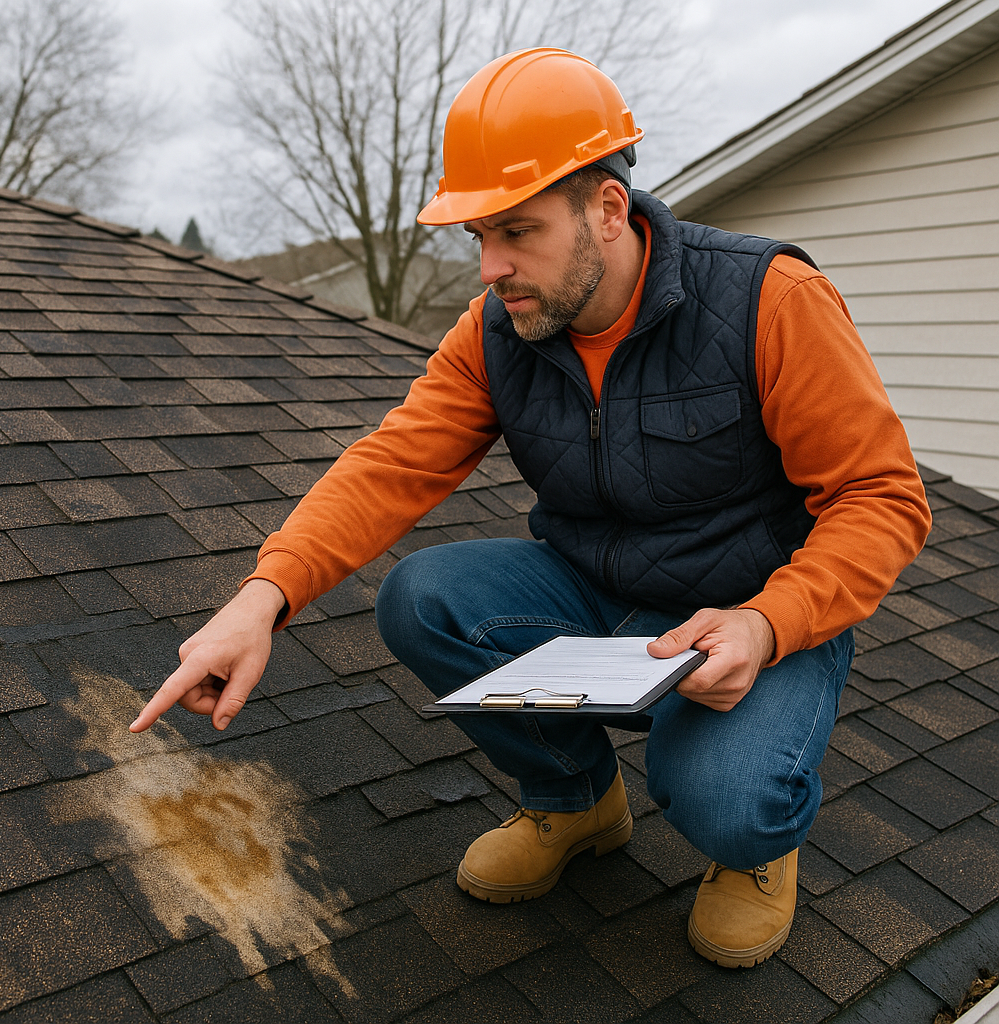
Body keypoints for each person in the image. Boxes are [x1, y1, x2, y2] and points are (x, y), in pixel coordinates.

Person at [130, 49, 931, 968]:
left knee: (725, 795)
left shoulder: (768, 301)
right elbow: (390, 464)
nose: (492, 266)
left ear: (606, 209)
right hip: (595, 593)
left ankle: (757, 854)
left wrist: (768, 621)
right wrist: (259, 599)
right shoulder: (499, 328)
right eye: (478, 235)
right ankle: (577, 802)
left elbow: (881, 498)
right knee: (424, 596)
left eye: (516, 231)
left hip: (754, 615)